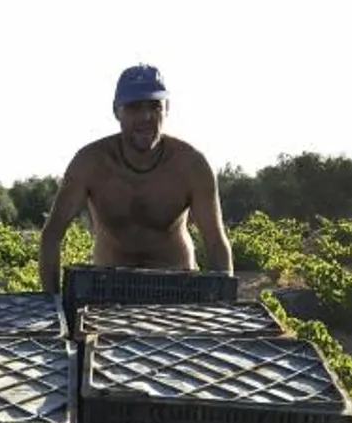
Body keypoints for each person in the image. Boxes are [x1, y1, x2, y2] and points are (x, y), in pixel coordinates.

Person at [37, 63, 232, 294]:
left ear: (167, 108)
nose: (145, 117)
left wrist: (224, 303)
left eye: (154, 106)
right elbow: (52, 235)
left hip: (177, 284)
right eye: (134, 107)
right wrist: (52, 300)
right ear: (116, 110)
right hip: (107, 288)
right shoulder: (90, 163)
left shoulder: (191, 165)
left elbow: (215, 241)